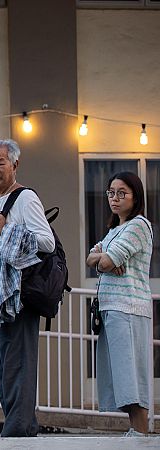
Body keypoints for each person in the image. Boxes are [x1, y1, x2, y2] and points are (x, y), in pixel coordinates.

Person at [0, 139, 54, 437]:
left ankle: (16, 433)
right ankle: (23, 430)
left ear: (15, 165)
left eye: (0, 162)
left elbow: (47, 242)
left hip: (17, 295)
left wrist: (6, 228)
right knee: (4, 369)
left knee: (18, 367)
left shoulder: (26, 198)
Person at [85, 171, 153, 437]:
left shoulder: (139, 225)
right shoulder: (115, 229)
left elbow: (103, 262)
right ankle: (135, 431)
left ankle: (141, 434)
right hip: (112, 309)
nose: (114, 198)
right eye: (111, 192)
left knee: (131, 376)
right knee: (120, 376)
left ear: (135, 197)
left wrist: (103, 259)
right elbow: (93, 258)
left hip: (129, 308)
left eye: (122, 193)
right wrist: (102, 258)